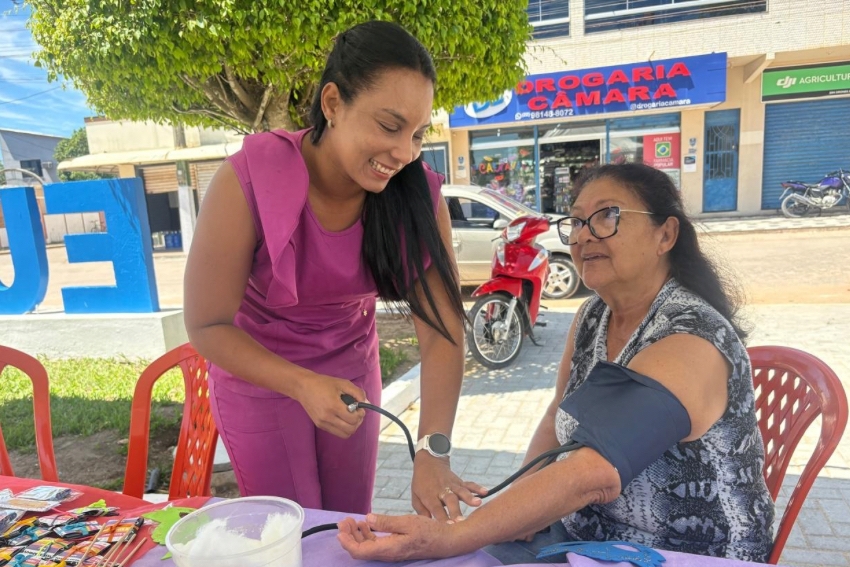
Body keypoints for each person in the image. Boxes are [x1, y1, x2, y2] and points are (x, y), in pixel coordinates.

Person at [337, 163, 776, 563]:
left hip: (691, 553)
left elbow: (591, 474)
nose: (584, 235)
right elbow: (556, 416)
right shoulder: (593, 315)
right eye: (578, 221)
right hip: (592, 537)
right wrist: (521, 507)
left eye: (607, 216)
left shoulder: (691, 337)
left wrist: (454, 536)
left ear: (666, 235)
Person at [183, 20, 484, 519]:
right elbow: (207, 325)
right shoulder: (248, 181)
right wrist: (300, 383)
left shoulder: (418, 197)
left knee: (347, 526)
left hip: (352, 375)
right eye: (389, 127)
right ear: (332, 104)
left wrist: (434, 451)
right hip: (260, 375)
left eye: (417, 134)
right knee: (290, 531)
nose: (405, 153)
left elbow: (443, 330)